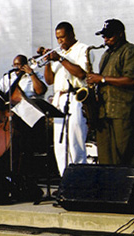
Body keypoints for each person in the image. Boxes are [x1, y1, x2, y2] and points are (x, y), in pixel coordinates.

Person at [87, 19, 134, 168]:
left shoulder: (130, 51)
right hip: (104, 112)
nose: (105, 40)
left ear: (120, 34)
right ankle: (110, 189)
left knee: (125, 156)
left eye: (109, 36)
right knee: (106, 158)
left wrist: (103, 79)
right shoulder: (106, 54)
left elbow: (131, 80)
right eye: (104, 37)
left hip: (122, 111)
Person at [43, 22, 91, 177]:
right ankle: (65, 179)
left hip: (76, 96)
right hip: (59, 98)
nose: (60, 42)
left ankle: (80, 179)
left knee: (75, 141)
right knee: (60, 143)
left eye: (62, 37)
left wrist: (60, 59)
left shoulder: (83, 49)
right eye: (57, 38)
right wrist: (46, 61)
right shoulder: (59, 55)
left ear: (72, 34)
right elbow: (49, 80)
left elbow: (82, 74)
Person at [0, 54, 47, 172]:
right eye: (15, 65)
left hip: (30, 116)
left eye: (20, 65)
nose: (17, 67)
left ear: (25, 65)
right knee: (13, 148)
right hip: (13, 116)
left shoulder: (35, 75)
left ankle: (27, 174)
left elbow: (41, 90)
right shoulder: (8, 77)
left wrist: (31, 73)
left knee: (27, 148)